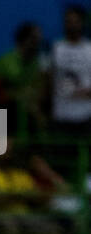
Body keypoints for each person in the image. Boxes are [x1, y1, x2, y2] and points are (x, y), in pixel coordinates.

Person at [51, 5, 91, 139]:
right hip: (62, 115)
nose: (72, 25)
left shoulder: (89, 49)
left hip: (86, 115)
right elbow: (47, 79)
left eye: (76, 21)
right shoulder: (56, 49)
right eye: (68, 21)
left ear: (83, 23)